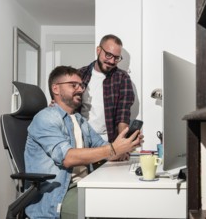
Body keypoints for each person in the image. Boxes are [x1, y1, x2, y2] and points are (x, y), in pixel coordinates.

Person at [24, 65, 143, 218]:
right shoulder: (46, 118)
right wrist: (113, 149)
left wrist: (124, 147)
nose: (80, 89)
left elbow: (104, 150)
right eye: (73, 85)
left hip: (84, 184)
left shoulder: (80, 120)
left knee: (129, 201)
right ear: (56, 89)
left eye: (81, 85)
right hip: (60, 194)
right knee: (116, 210)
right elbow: (67, 158)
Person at [79, 34, 135, 144]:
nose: (112, 61)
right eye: (108, 55)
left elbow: (123, 115)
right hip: (80, 139)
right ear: (98, 50)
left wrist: (121, 145)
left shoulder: (122, 78)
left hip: (107, 142)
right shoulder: (79, 74)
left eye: (116, 58)